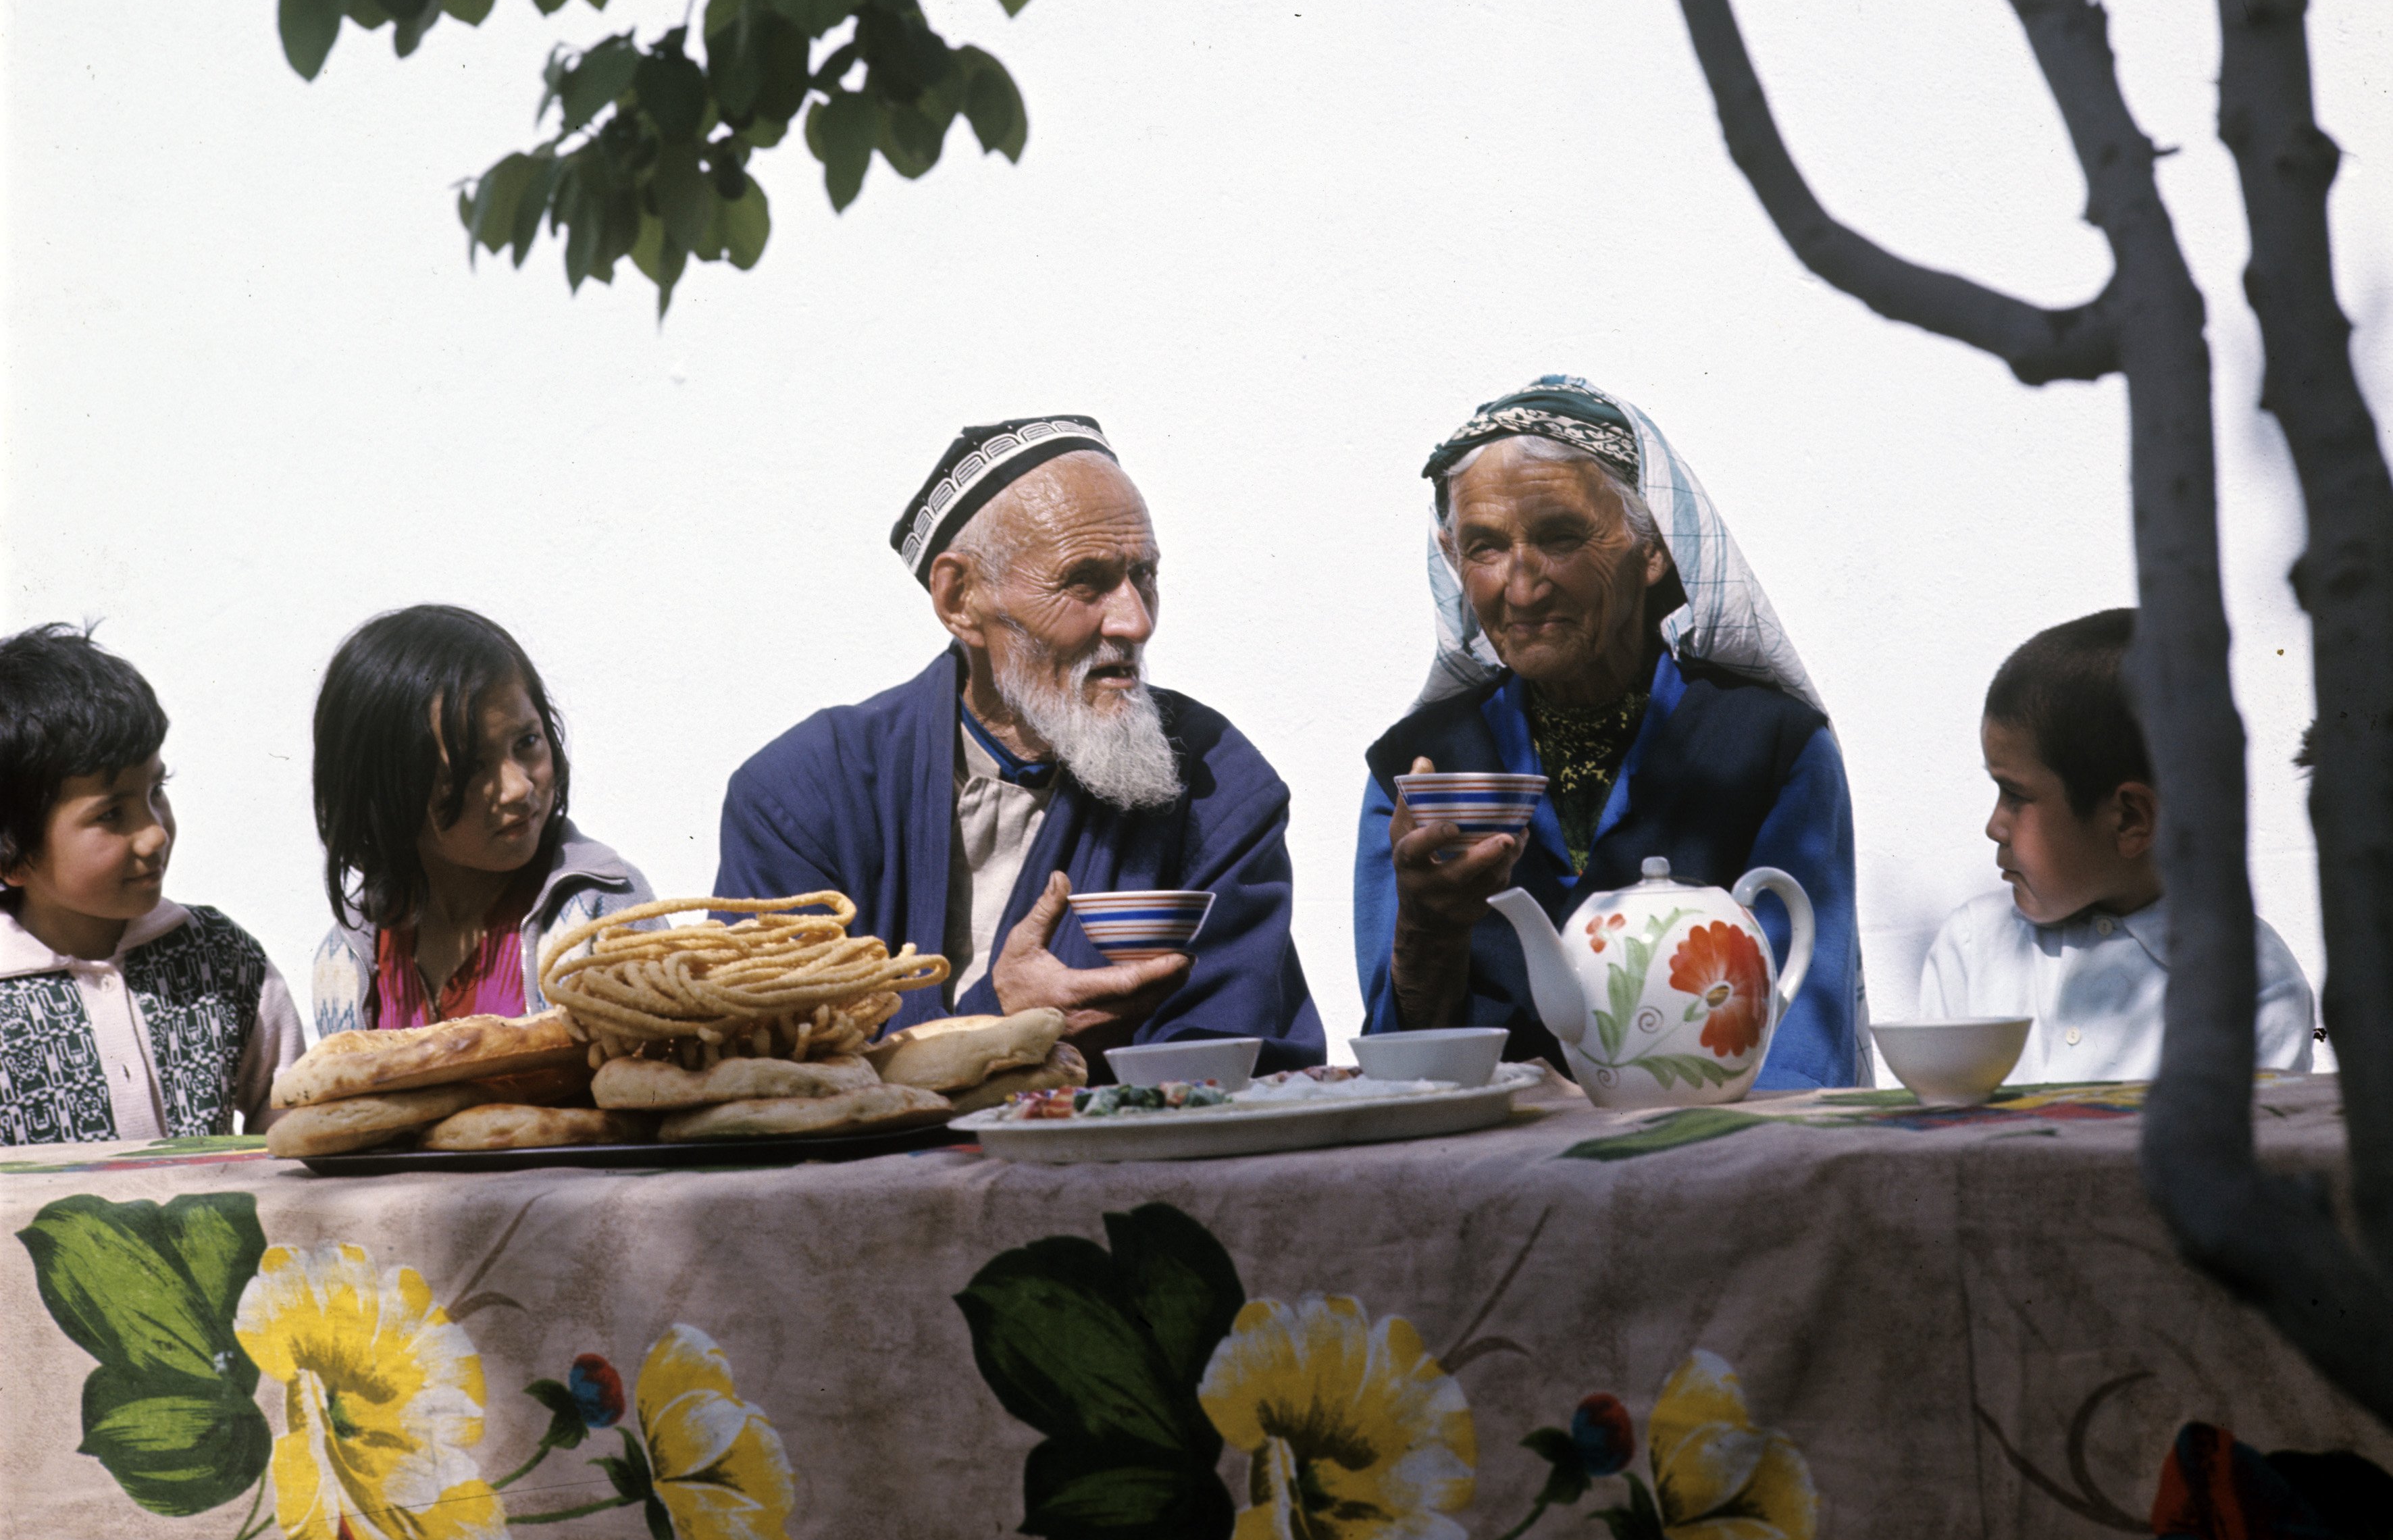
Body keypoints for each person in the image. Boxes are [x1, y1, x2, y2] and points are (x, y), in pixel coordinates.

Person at [717, 415, 1324, 1070]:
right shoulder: (805, 791)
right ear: (960, 599)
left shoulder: (1213, 779)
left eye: (1143, 574)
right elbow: (769, 1066)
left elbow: (1232, 1061)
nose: (1136, 621)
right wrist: (999, 1023)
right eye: (1084, 581)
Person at [1354, 377, 1864, 1089]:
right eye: (1485, 548)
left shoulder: (1768, 749)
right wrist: (1424, 935)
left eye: (1560, 538)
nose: (1523, 588)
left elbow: (1801, 1054)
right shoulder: (1422, 772)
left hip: (1716, 1167)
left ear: (1651, 548)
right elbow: (1403, 1078)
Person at [1919, 609, 2315, 1081]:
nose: (1993, 826)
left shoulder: (2252, 985)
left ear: (2129, 819)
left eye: (2016, 796)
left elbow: (2251, 1150)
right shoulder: (1972, 947)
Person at [1, 623, 304, 1144]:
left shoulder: (221, 956)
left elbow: (298, 1121)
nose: (154, 833)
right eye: (112, 812)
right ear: (14, 856)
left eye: (156, 790)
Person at [309, 605, 654, 1035]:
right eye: (471, 768)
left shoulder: (603, 914)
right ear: (386, 792)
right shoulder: (350, 961)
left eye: (527, 742)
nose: (517, 788)